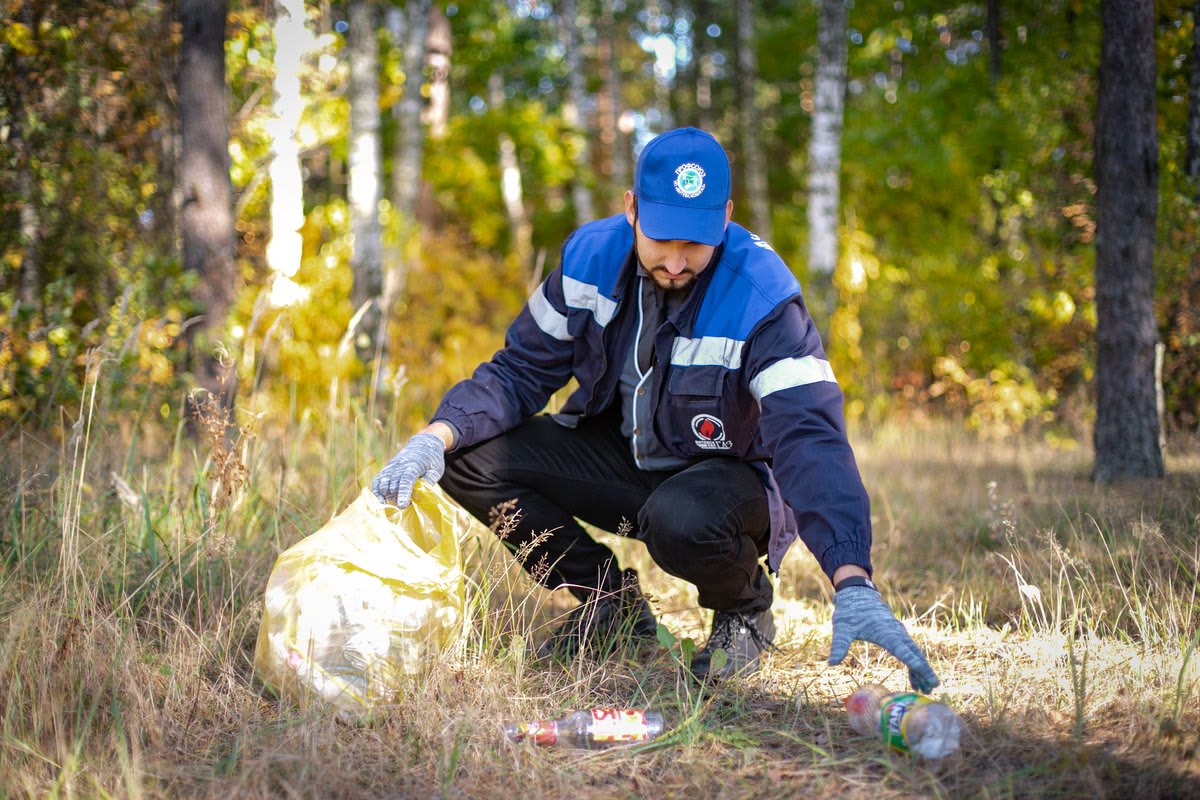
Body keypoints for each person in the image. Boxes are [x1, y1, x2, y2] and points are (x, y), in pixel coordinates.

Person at [373, 127, 938, 690]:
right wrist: (438, 435)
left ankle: (743, 610)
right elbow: (520, 371)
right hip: (624, 458)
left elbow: (810, 435)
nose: (674, 261)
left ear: (726, 217)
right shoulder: (586, 260)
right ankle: (610, 604)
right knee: (469, 455)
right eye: (662, 238)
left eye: (694, 243)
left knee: (683, 522)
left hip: (723, 482)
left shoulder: (762, 296)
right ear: (632, 209)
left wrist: (852, 580)